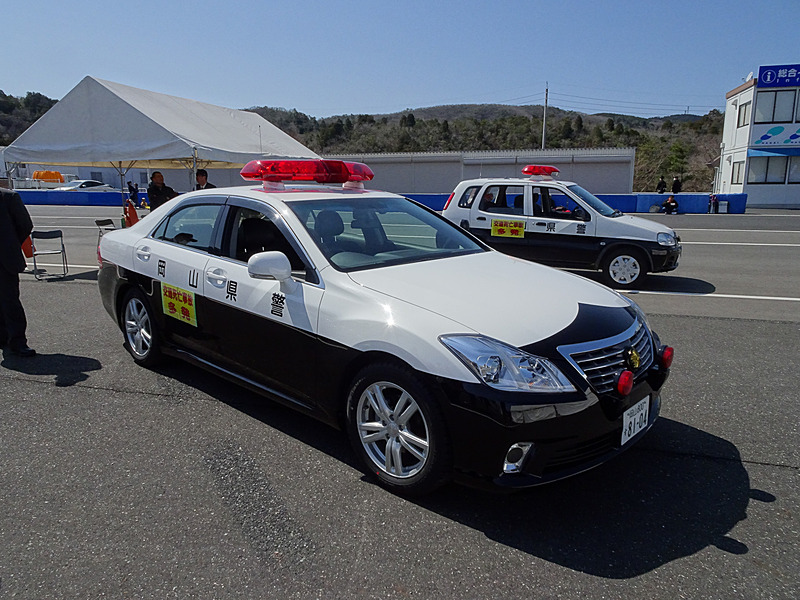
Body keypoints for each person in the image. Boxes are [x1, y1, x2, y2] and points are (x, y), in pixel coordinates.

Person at [0, 187, 35, 357]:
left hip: (4, 260)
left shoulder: (9, 197)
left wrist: (10, 244)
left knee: (10, 301)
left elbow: (25, 225)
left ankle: (18, 341)